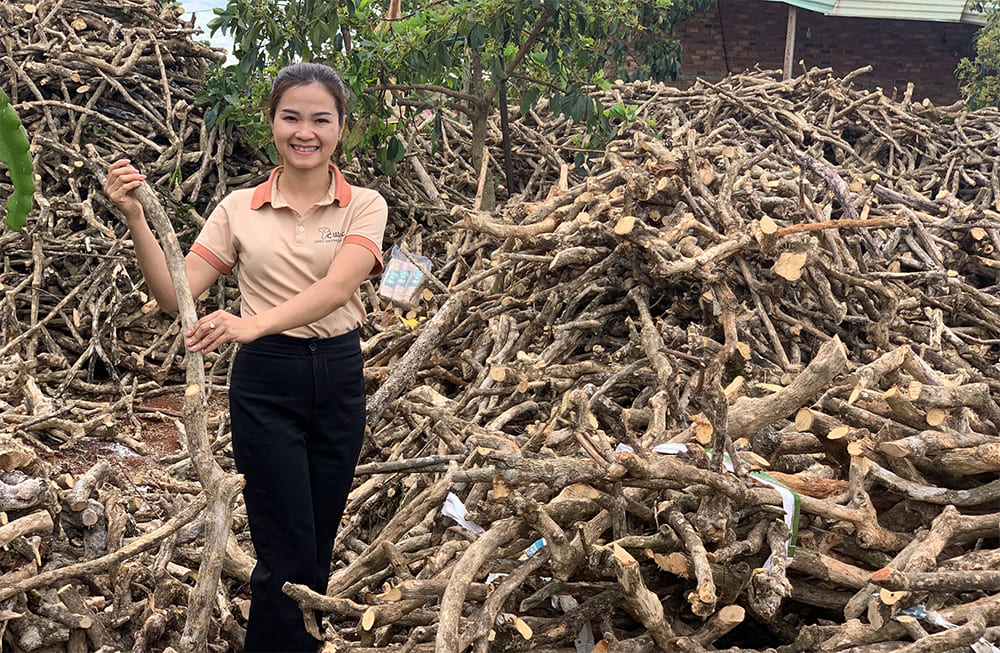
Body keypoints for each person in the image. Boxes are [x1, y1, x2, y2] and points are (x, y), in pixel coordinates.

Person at [104, 62, 388, 652]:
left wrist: (248, 324)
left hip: (339, 375)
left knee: (317, 540)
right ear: (271, 123)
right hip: (267, 381)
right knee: (285, 545)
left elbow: (338, 288)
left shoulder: (364, 204)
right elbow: (175, 292)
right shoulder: (238, 208)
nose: (304, 132)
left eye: (320, 119)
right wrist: (136, 219)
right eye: (291, 117)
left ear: (342, 128)